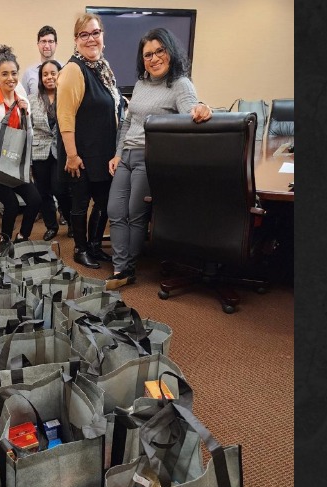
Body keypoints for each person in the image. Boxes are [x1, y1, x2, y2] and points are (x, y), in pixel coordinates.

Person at [105, 28, 212, 289]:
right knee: (115, 212)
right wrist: (118, 154)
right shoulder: (141, 84)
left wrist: (202, 108)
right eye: (148, 54)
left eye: (159, 51)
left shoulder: (180, 84)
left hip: (150, 157)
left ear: (170, 52)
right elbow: (128, 122)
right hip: (127, 155)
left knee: (134, 213)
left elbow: (191, 111)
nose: (153, 59)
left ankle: (126, 270)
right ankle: (120, 267)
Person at [56, 14, 123, 269]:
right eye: (84, 34)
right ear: (76, 40)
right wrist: (72, 156)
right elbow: (65, 117)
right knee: (80, 204)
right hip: (81, 154)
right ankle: (80, 249)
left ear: (102, 37)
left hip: (103, 152)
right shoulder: (74, 70)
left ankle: (95, 246)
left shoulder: (103, 69)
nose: (91, 39)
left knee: (105, 202)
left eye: (95, 33)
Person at [0, 46, 42, 251]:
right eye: (5, 74)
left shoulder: (24, 103)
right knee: (10, 205)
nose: (10, 78)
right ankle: (5, 242)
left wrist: (26, 115)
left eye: (14, 73)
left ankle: (21, 238)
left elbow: (28, 136)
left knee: (35, 200)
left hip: (15, 163)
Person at [28, 60, 70, 241]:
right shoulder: (31, 100)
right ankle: (51, 226)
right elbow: (28, 130)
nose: (49, 77)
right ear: (40, 78)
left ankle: (70, 221)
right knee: (43, 191)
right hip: (39, 151)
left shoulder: (67, 97)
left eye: (53, 73)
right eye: (45, 74)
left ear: (60, 74)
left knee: (61, 189)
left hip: (61, 150)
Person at [21, 25, 58, 96]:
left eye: (50, 41)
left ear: (55, 44)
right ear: (38, 44)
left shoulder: (64, 69)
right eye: (43, 41)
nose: (47, 46)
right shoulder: (28, 73)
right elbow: (24, 101)